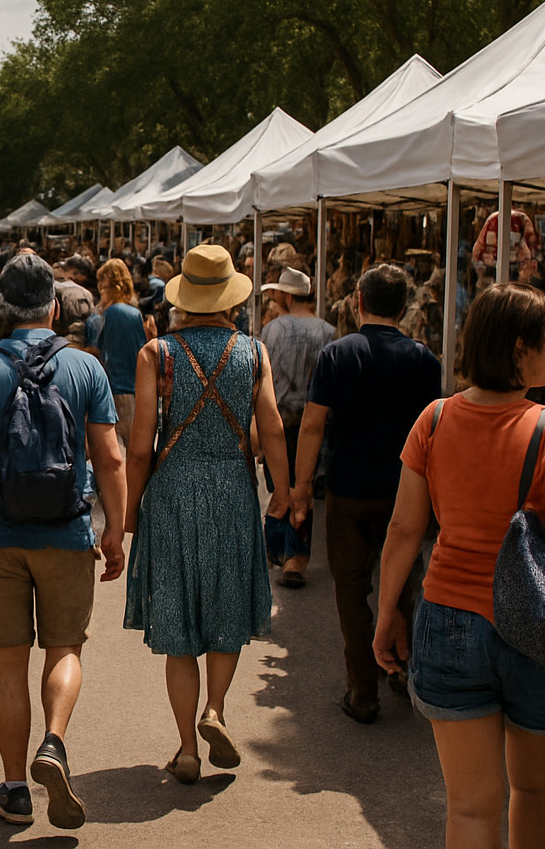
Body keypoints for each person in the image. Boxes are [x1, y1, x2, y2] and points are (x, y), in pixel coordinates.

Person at [374, 283, 545, 849]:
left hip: (450, 617)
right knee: (531, 788)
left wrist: (386, 614)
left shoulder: (433, 421)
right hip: (539, 630)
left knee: (471, 809)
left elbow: (405, 529)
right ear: (518, 347)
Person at [0, 253, 126, 829]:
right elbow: (110, 456)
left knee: (6, 665)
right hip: (66, 531)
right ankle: (54, 742)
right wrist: (116, 528)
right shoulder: (86, 369)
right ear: (56, 307)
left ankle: (15, 788)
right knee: (65, 648)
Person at [122, 243, 289, 786]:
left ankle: (187, 748)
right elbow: (272, 430)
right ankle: (216, 708)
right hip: (233, 491)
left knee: (177, 620)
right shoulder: (254, 352)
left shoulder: (157, 355)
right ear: (231, 299)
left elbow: (141, 445)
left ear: (184, 298)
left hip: (172, 492)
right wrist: (283, 493)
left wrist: (128, 513)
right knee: (224, 610)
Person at [291, 262, 441, 724]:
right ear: (404, 307)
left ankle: (362, 690)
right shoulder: (424, 360)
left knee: (352, 590)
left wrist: (300, 489)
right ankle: (402, 667)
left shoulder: (337, 355)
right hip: (407, 493)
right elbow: (434, 434)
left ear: (359, 301)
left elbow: (313, 425)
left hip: (349, 489)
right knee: (404, 584)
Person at [258, 266, 335, 588]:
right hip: (315, 423)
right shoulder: (329, 332)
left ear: (288, 296)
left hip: (278, 420)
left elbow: (261, 380)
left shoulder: (272, 330)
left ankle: (274, 550)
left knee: (280, 487)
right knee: (304, 490)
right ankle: (296, 559)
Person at [86, 258, 148, 450]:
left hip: (111, 389)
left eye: (104, 288)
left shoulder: (110, 313)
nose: (100, 291)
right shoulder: (133, 313)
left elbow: (98, 351)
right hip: (130, 389)